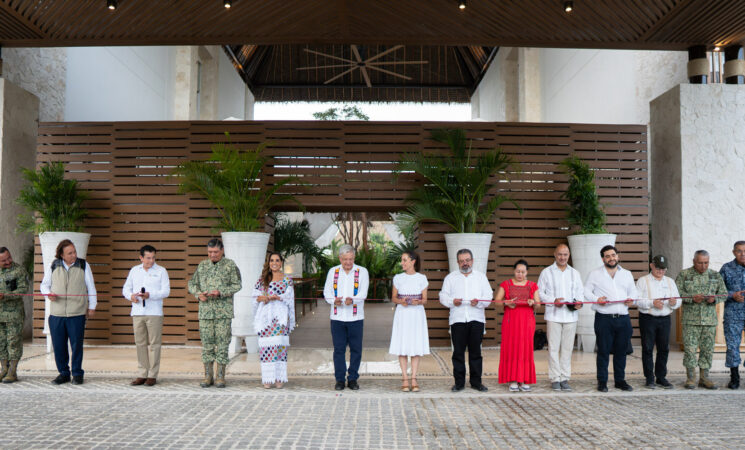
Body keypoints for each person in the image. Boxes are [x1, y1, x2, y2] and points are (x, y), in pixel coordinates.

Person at [40, 240, 97, 385]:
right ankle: (63, 373)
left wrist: (92, 306)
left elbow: (91, 287)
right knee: (59, 346)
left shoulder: (83, 265)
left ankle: (77, 373)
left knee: (76, 345)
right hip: (57, 314)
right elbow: (44, 285)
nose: (73, 255)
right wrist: (48, 293)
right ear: (61, 255)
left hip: (76, 313)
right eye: (70, 253)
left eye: (74, 252)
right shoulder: (53, 265)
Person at [187, 238, 242, 388]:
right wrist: (198, 294)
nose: (212, 255)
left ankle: (220, 376)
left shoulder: (230, 265)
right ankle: (207, 376)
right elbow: (192, 284)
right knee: (207, 345)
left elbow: (238, 284)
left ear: (222, 250)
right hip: (205, 312)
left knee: (223, 345)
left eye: (216, 252)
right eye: (210, 252)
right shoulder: (202, 266)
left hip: (223, 313)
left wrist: (221, 292)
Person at [583, 245, 637, 392]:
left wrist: (632, 299)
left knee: (621, 351)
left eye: (613, 255)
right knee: (603, 351)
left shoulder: (626, 274)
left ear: (617, 256)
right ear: (603, 259)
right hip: (604, 319)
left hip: (623, 318)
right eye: (607, 256)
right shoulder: (595, 274)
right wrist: (596, 299)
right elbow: (585, 291)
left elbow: (634, 292)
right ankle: (602, 381)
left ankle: (620, 381)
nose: (611, 258)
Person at [439, 248, 492, 392]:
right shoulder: (451, 278)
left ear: (472, 260)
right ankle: (459, 383)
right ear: (457, 262)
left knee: (476, 353)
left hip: (476, 319)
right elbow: (442, 297)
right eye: (462, 261)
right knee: (458, 353)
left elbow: (488, 297)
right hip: (458, 320)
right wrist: (452, 301)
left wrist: (479, 302)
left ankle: (476, 383)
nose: (465, 263)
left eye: (467, 260)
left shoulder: (481, 277)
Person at [676, 250, 728, 389]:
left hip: (709, 321)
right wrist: (691, 298)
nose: (703, 266)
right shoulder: (684, 275)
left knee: (707, 350)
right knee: (690, 350)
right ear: (694, 261)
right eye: (700, 263)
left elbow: (724, 293)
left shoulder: (715, 275)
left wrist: (714, 299)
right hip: (690, 320)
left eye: (706, 263)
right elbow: (677, 294)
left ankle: (705, 378)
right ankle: (691, 378)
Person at [122, 245, 170, 387]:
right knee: (140, 344)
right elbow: (125, 288)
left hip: (154, 312)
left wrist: (150, 295)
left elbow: (166, 291)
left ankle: (152, 375)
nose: (151, 260)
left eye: (153, 257)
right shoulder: (134, 271)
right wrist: (131, 296)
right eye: (148, 258)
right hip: (137, 312)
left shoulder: (161, 271)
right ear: (141, 257)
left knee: (155, 344)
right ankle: (142, 373)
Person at [537, 243, 584, 391]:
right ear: (554, 255)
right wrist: (553, 301)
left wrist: (579, 303)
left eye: (565, 254)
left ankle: (565, 378)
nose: (562, 257)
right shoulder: (546, 272)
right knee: (553, 348)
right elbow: (539, 293)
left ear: (568, 255)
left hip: (571, 316)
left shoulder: (575, 273)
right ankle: (555, 378)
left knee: (567, 349)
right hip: (553, 315)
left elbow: (580, 293)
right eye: (560, 254)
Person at [323, 244, 369, 391]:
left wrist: (353, 300)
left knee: (356, 349)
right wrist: (333, 301)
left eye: (350, 259)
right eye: (345, 259)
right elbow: (327, 292)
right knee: (339, 350)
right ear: (339, 258)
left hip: (356, 318)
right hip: (337, 318)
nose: (348, 262)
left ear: (354, 257)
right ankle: (340, 380)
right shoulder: (333, 272)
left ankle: (353, 378)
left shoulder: (362, 272)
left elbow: (363, 293)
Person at [250, 252, 295, 389]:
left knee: (279, 346)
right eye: (271, 260)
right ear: (268, 263)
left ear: (281, 263)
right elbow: (254, 297)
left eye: (277, 260)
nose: (274, 263)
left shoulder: (287, 279)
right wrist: (262, 298)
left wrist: (278, 297)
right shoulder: (262, 279)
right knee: (266, 347)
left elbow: (289, 298)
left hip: (280, 318)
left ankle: (279, 377)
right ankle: (267, 378)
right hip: (265, 319)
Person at [635, 255, 680, 389]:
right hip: (648, 318)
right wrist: (652, 303)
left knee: (664, 349)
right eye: (658, 268)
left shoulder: (670, 281)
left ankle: (661, 377)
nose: (661, 271)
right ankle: (649, 378)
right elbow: (636, 300)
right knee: (648, 348)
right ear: (651, 266)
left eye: (663, 268)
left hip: (665, 319)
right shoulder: (643, 281)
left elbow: (679, 300)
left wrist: (674, 303)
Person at [496, 259, 541, 392]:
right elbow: (497, 302)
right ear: (514, 271)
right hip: (511, 322)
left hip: (527, 322)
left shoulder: (533, 285)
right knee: (511, 348)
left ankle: (524, 379)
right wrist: (506, 302)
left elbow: (538, 305)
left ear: (527, 272)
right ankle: (513, 379)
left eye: (522, 272)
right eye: (517, 271)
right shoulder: (506, 284)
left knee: (525, 349)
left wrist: (533, 302)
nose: (520, 274)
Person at [388, 251, 429, 392]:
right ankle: (405, 377)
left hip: (417, 314)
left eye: (405, 260)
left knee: (416, 345)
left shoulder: (422, 278)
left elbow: (425, 299)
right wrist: (401, 301)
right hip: (402, 313)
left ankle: (414, 378)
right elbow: (393, 297)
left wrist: (418, 302)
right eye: (402, 260)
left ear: (413, 261)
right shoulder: (398, 278)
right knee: (402, 344)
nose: (402, 263)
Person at [0, 247, 30, 383]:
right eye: (4, 260)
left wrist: (5, 296)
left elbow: (23, 290)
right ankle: (3, 369)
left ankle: (12, 371)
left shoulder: (19, 270)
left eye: (9, 258)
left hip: (14, 314)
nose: (8, 261)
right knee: (1, 343)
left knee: (13, 342)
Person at [720, 241, 745, 389]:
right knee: (732, 346)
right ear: (733, 252)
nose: (743, 254)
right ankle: (734, 377)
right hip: (733, 315)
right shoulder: (726, 268)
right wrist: (732, 295)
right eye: (739, 251)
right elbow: (717, 291)